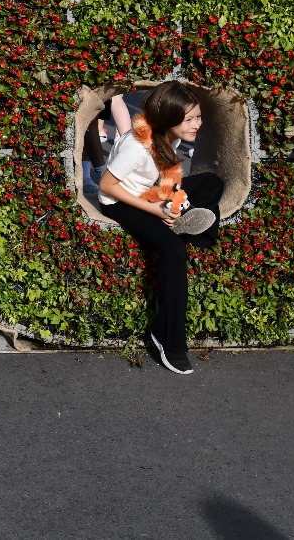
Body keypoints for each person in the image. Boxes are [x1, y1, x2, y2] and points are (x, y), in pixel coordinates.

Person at [97, 81, 224, 375]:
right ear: (168, 117)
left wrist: (168, 197)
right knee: (173, 249)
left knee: (212, 183)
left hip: (150, 193)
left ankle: (182, 215)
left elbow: (163, 178)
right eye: (190, 119)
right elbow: (107, 186)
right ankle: (169, 339)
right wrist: (156, 208)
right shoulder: (137, 146)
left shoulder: (169, 136)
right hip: (121, 201)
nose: (197, 124)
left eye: (199, 117)